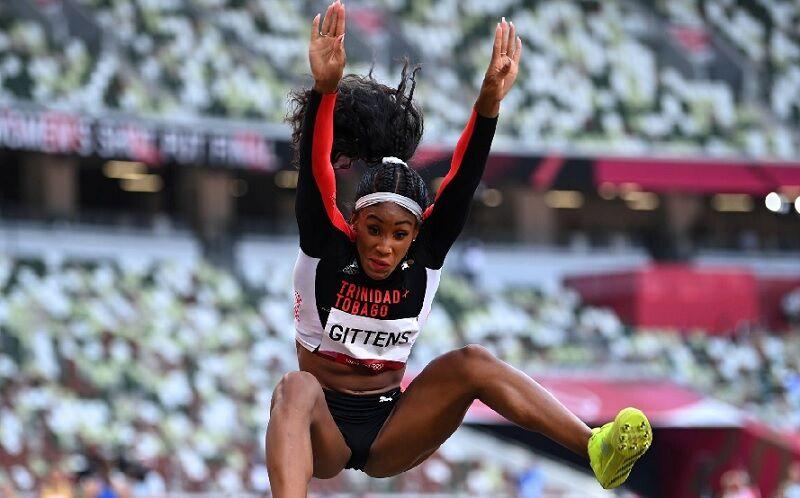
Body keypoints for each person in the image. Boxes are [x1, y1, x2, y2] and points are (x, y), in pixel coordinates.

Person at [266, 2, 653, 497]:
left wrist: (489, 103)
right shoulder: (325, 243)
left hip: (393, 429)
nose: (385, 245)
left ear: (417, 233)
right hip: (325, 433)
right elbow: (317, 174)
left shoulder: (424, 255)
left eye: (400, 233)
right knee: (295, 388)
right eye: (374, 229)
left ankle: (598, 449)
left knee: (472, 361)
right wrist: (324, 91)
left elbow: (462, 178)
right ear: (353, 222)